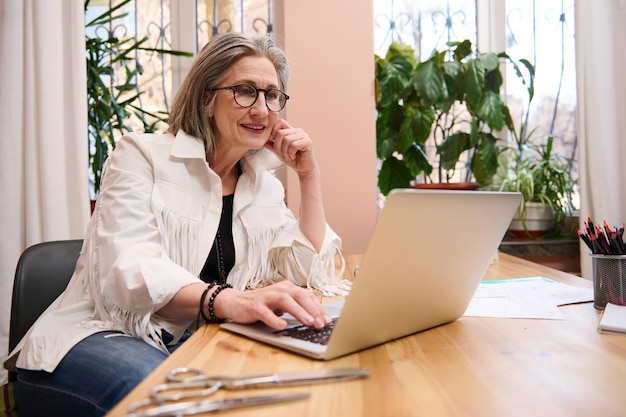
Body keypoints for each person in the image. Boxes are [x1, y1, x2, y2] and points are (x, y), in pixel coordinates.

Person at [9, 32, 348, 416]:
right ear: (206, 99)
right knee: (186, 404)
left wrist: (309, 175)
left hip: (193, 343)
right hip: (95, 337)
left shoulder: (263, 185)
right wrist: (227, 300)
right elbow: (130, 265)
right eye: (244, 91)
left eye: (272, 95)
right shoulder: (140, 155)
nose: (261, 108)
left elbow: (304, 270)